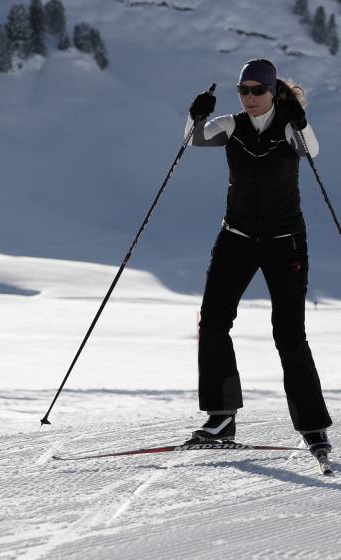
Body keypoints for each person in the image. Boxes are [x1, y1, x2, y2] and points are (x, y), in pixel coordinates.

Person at [185, 59, 332, 454]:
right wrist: (195, 116)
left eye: (256, 90)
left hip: (285, 240)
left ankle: (314, 426)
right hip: (237, 235)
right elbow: (195, 140)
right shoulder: (232, 125)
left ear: (272, 91)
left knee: (288, 333)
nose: (249, 97)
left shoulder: (288, 125)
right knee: (213, 321)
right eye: (242, 90)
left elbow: (311, 150)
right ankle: (222, 417)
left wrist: (300, 121)